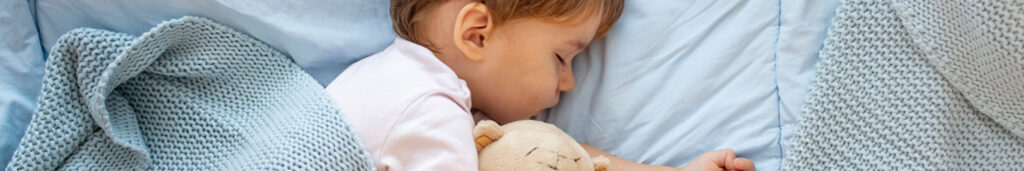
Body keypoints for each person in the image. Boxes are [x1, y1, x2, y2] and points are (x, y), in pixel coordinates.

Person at [326, 0, 756, 170]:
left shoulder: (427, 89)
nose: (567, 84)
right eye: (561, 57)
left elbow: (557, 155)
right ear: (476, 33)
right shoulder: (421, 108)